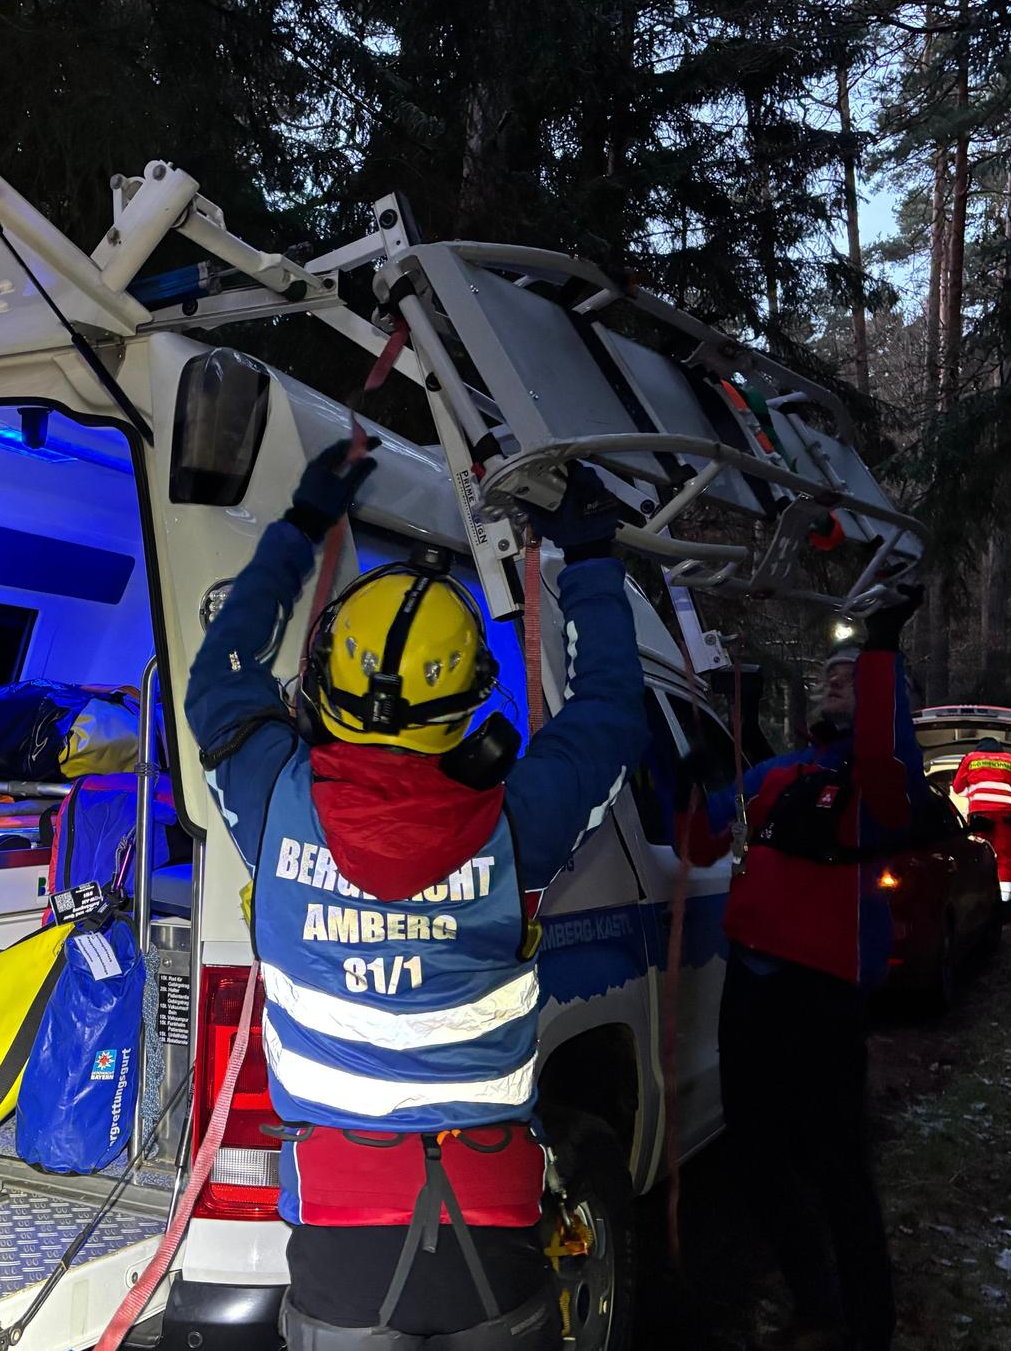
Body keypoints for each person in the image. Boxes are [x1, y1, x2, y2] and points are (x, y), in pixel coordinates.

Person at [185, 440, 648, 1351]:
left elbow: (220, 674)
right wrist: (587, 559)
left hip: (338, 1238)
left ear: (324, 686)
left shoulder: (271, 796)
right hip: (494, 1224)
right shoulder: (519, 824)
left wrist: (302, 526)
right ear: (474, 704)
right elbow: (610, 714)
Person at [677, 589, 930, 1351]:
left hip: (823, 993)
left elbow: (889, 751)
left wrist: (880, 647)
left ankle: (868, 1325)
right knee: (756, 1159)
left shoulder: (883, 784)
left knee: (836, 1167)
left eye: (852, 674)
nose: (834, 675)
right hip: (751, 990)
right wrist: (698, 769)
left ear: (887, 695)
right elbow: (698, 844)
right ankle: (816, 1305)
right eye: (831, 670)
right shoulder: (778, 773)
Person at [951, 735, 1011, 904]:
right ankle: (1005, 902)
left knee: (978, 857)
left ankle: (978, 901)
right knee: (1005, 859)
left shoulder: (970, 759)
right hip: (1005, 817)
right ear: (1000, 750)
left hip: (980, 817)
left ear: (978, 749)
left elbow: (957, 788)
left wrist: (973, 789)